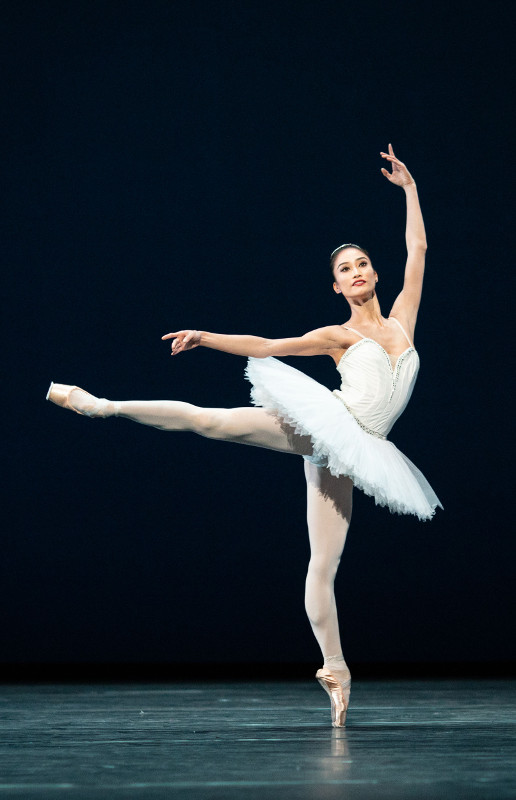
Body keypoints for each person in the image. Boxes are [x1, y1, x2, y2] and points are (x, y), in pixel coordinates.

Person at [46, 144, 442, 727]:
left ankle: (336, 669)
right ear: (336, 287)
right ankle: (100, 405)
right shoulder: (337, 334)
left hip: (357, 452)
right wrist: (209, 337)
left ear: (374, 274)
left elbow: (419, 248)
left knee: (323, 567)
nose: (356, 272)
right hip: (326, 424)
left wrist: (409, 190)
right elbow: (269, 347)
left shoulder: (404, 318)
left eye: (361, 264)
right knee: (212, 421)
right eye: (344, 269)